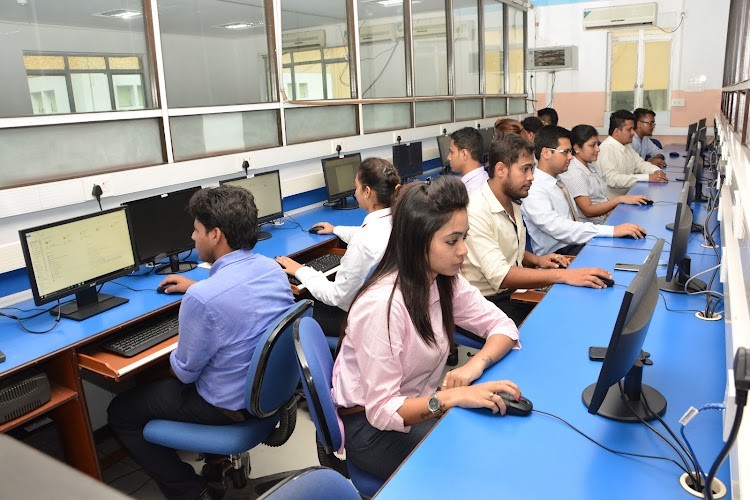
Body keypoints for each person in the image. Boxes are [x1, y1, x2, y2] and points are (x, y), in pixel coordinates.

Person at [108, 186, 295, 500]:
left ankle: (190, 491)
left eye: (196, 230)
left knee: (121, 411)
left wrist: (194, 304)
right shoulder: (271, 270)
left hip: (225, 407)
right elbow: (237, 296)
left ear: (215, 235)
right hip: (266, 395)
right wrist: (198, 288)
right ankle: (214, 463)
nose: (192, 237)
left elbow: (185, 374)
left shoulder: (202, 299)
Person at [332, 175, 522, 481]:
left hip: (419, 404)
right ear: (419, 242)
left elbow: (503, 326)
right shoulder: (382, 306)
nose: (463, 250)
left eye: (464, 237)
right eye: (452, 241)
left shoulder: (445, 281)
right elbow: (382, 410)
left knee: (492, 445)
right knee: (476, 469)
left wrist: (473, 367)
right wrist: (452, 398)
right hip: (373, 431)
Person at [463, 133, 614, 326]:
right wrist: (564, 276)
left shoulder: (512, 199)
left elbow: (504, 247)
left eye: (532, 169)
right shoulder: (476, 211)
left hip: (510, 293)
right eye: (525, 170)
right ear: (501, 169)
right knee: (561, 323)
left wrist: (537, 260)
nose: (531, 177)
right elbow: (501, 276)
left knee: (578, 306)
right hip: (487, 302)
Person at [276, 158, 398, 338]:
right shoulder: (395, 221)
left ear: (367, 191)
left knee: (295, 308)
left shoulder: (364, 241)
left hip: (354, 317)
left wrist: (301, 270)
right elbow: (363, 233)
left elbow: (336, 296)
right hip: (388, 309)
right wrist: (335, 229)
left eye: (356, 187)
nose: (354, 192)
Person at [521, 125, 647, 256]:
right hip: (558, 255)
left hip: (574, 244)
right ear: (546, 153)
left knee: (629, 248)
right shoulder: (534, 189)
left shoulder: (557, 181)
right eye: (565, 152)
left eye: (570, 152)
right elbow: (557, 227)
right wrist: (612, 231)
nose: (570, 157)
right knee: (622, 254)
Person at [560, 124, 650, 224]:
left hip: (605, 219)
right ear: (577, 148)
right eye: (592, 145)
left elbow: (601, 199)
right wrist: (620, 200)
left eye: (597, 144)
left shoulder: (591, 166)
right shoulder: (575, 173)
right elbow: (588, 211)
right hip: (592, 228)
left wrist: (621, 212)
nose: (598, 149)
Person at [597, 109, 667, 198]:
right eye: (629, 130)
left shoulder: (627, 146)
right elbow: (613, 180)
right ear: (617, 132)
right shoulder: (606, 149)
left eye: (633, 129)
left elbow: (641, 164)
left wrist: (657, 171)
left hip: (629, 195)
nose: (633, 133)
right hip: (612, 203)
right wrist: (647, 177)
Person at [447, 127, 488, 196]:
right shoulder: (484, 178)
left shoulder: (472, 193)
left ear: (464, 154)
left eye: (451, 152)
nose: (448, 157)